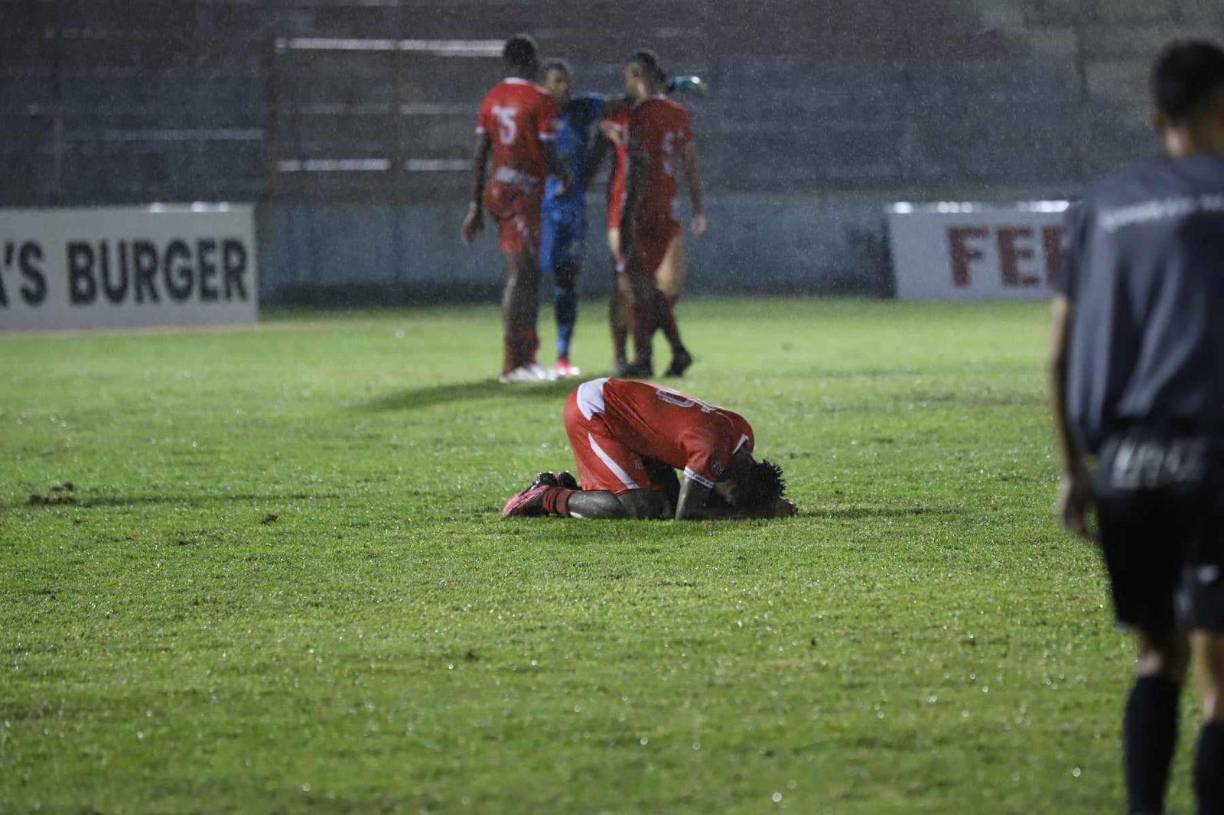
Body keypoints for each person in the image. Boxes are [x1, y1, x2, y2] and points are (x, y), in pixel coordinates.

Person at [1050, 39, 1224, 815]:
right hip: (1215, 458)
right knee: (1220, 683)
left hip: (1128, 466)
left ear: (1157, 117)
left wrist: (1073, 469)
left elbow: (1057, 355)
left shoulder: (1103, 205)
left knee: (1158, 659)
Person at [501, 377, 796, 521]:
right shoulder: (712, 450)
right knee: (641, 508)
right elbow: (687, 515)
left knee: (662, 504)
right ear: (731, 479)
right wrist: (754, 513)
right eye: (729, 496)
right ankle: (548, 498)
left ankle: (572, 488)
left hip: (628, 415)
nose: (719, 497)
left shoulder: (741, 435)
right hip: (597, 409)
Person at [462, 34, 572, 384]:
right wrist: (567, 176)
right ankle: (515, 364)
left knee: (526, 274)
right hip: (522, 191)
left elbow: (481, 155)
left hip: (497, 187)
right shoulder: (539, 99)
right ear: (531, 61)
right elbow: (549, 152)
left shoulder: (491, 98)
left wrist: (475, 206)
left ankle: (525, 358)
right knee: (522, 276)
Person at [617, 50, 708, 379]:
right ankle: (674, 353)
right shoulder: (676, 112)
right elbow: (691, 164)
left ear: (638, 77)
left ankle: (645, 358)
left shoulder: (637, 115)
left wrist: (629, 214)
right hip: (669, 205)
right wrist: (698, 207)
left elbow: (639, 167)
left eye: (628, 77)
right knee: (649, 287)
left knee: (639, 285)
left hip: (644, 206)